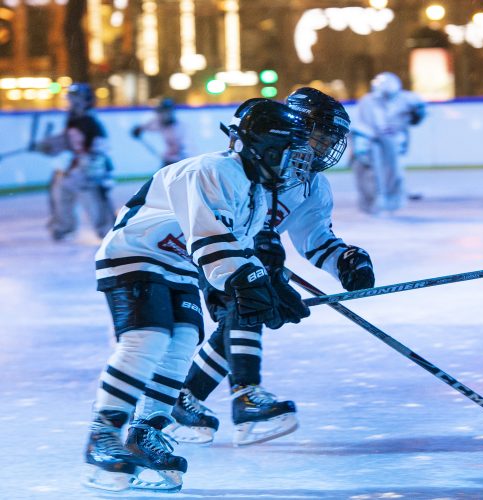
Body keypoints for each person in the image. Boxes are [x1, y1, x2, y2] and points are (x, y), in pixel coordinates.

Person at [83, 98, 315, 492]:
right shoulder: (214, 170)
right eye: (288, 152)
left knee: (183, 341)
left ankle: (145, 430)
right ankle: (103, 433)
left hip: (178, 267)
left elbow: (239, 250)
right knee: (148, 337)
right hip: (134, 254)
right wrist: (247, 281)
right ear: (264, 148)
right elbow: (213, 242)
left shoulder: (256, 192)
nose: (295, 163)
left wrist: (273, 287)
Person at [168, 88, 375, 447]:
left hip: (241, 253)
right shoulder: (256, 160)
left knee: (247, 313)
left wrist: (345, 262)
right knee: (246, 303)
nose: (326, 147)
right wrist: (261, 261)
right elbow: (223, 225)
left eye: (331, 139)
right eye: (320, 136)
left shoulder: (311, 185)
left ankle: (185, 399)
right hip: (206, 248)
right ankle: (245, 399)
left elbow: (315, 239)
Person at [34, 83, 115, 240]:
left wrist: (93, 165)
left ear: (86, 101)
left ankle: (107, 231)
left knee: (94, 201)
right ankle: (64, 227)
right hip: (75, 167)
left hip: (89, 169)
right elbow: (67, 141)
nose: (72, 103)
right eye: (71, 99)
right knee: (61, 192)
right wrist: (48, 145)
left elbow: (100, 146)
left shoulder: (90, 122)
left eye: (76, 99)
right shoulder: (73, 120)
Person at [350, 72, 427, 214]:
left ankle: (393, 199)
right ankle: (372, 202)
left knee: (394, 170)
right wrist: (361, 147)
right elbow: (359, 126)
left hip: (391, 142)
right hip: (371, 142)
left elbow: (415, 117)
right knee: (369, 173)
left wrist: (417, 115)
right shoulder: (367, 102)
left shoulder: (405, 99)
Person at [131, 98, 187, 169]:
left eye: (168, 111)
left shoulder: (178, 127)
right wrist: (140, 129)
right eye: (163, 111)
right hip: (170, 160)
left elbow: (179, 146)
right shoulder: (162, 123)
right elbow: (147, 126)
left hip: (178, 161)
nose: (165, 113)